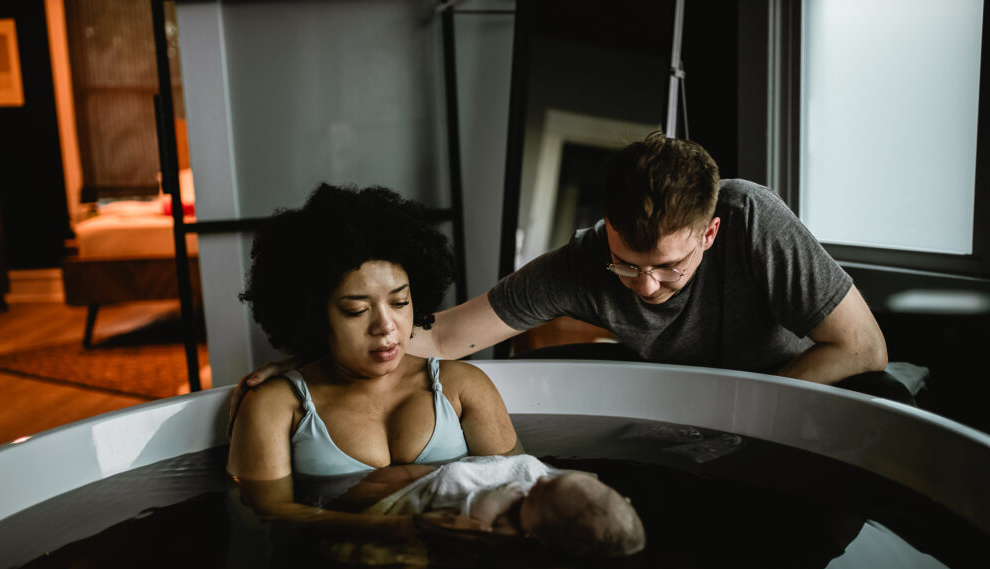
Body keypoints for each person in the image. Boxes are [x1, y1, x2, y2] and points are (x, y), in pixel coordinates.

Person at [231, 132, 891, 422]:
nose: (647, 286)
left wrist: (745, 413)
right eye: (627, 262)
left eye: (670, 267)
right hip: (702, 420)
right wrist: (310, 360)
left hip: (818, 399)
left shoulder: (753, 220)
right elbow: (451, 333)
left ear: (709, 234)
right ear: (606, 224)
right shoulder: (583, 264)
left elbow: (862, 348)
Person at [227, 182, 519, 535]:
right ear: (313, 316)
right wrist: (403, 530)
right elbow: (262, 517)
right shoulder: (274, 406)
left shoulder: (462, 387)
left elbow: (520, 486)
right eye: (356, 310)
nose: (385, 325)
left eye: (399, 302)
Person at [360, 454, 647, 557]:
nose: (541, 483)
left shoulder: (511, 531)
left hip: (427, 502)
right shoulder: (549, 493)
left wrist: (484, 507)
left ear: (534, 532)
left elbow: (471, 532)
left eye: (542, 494)